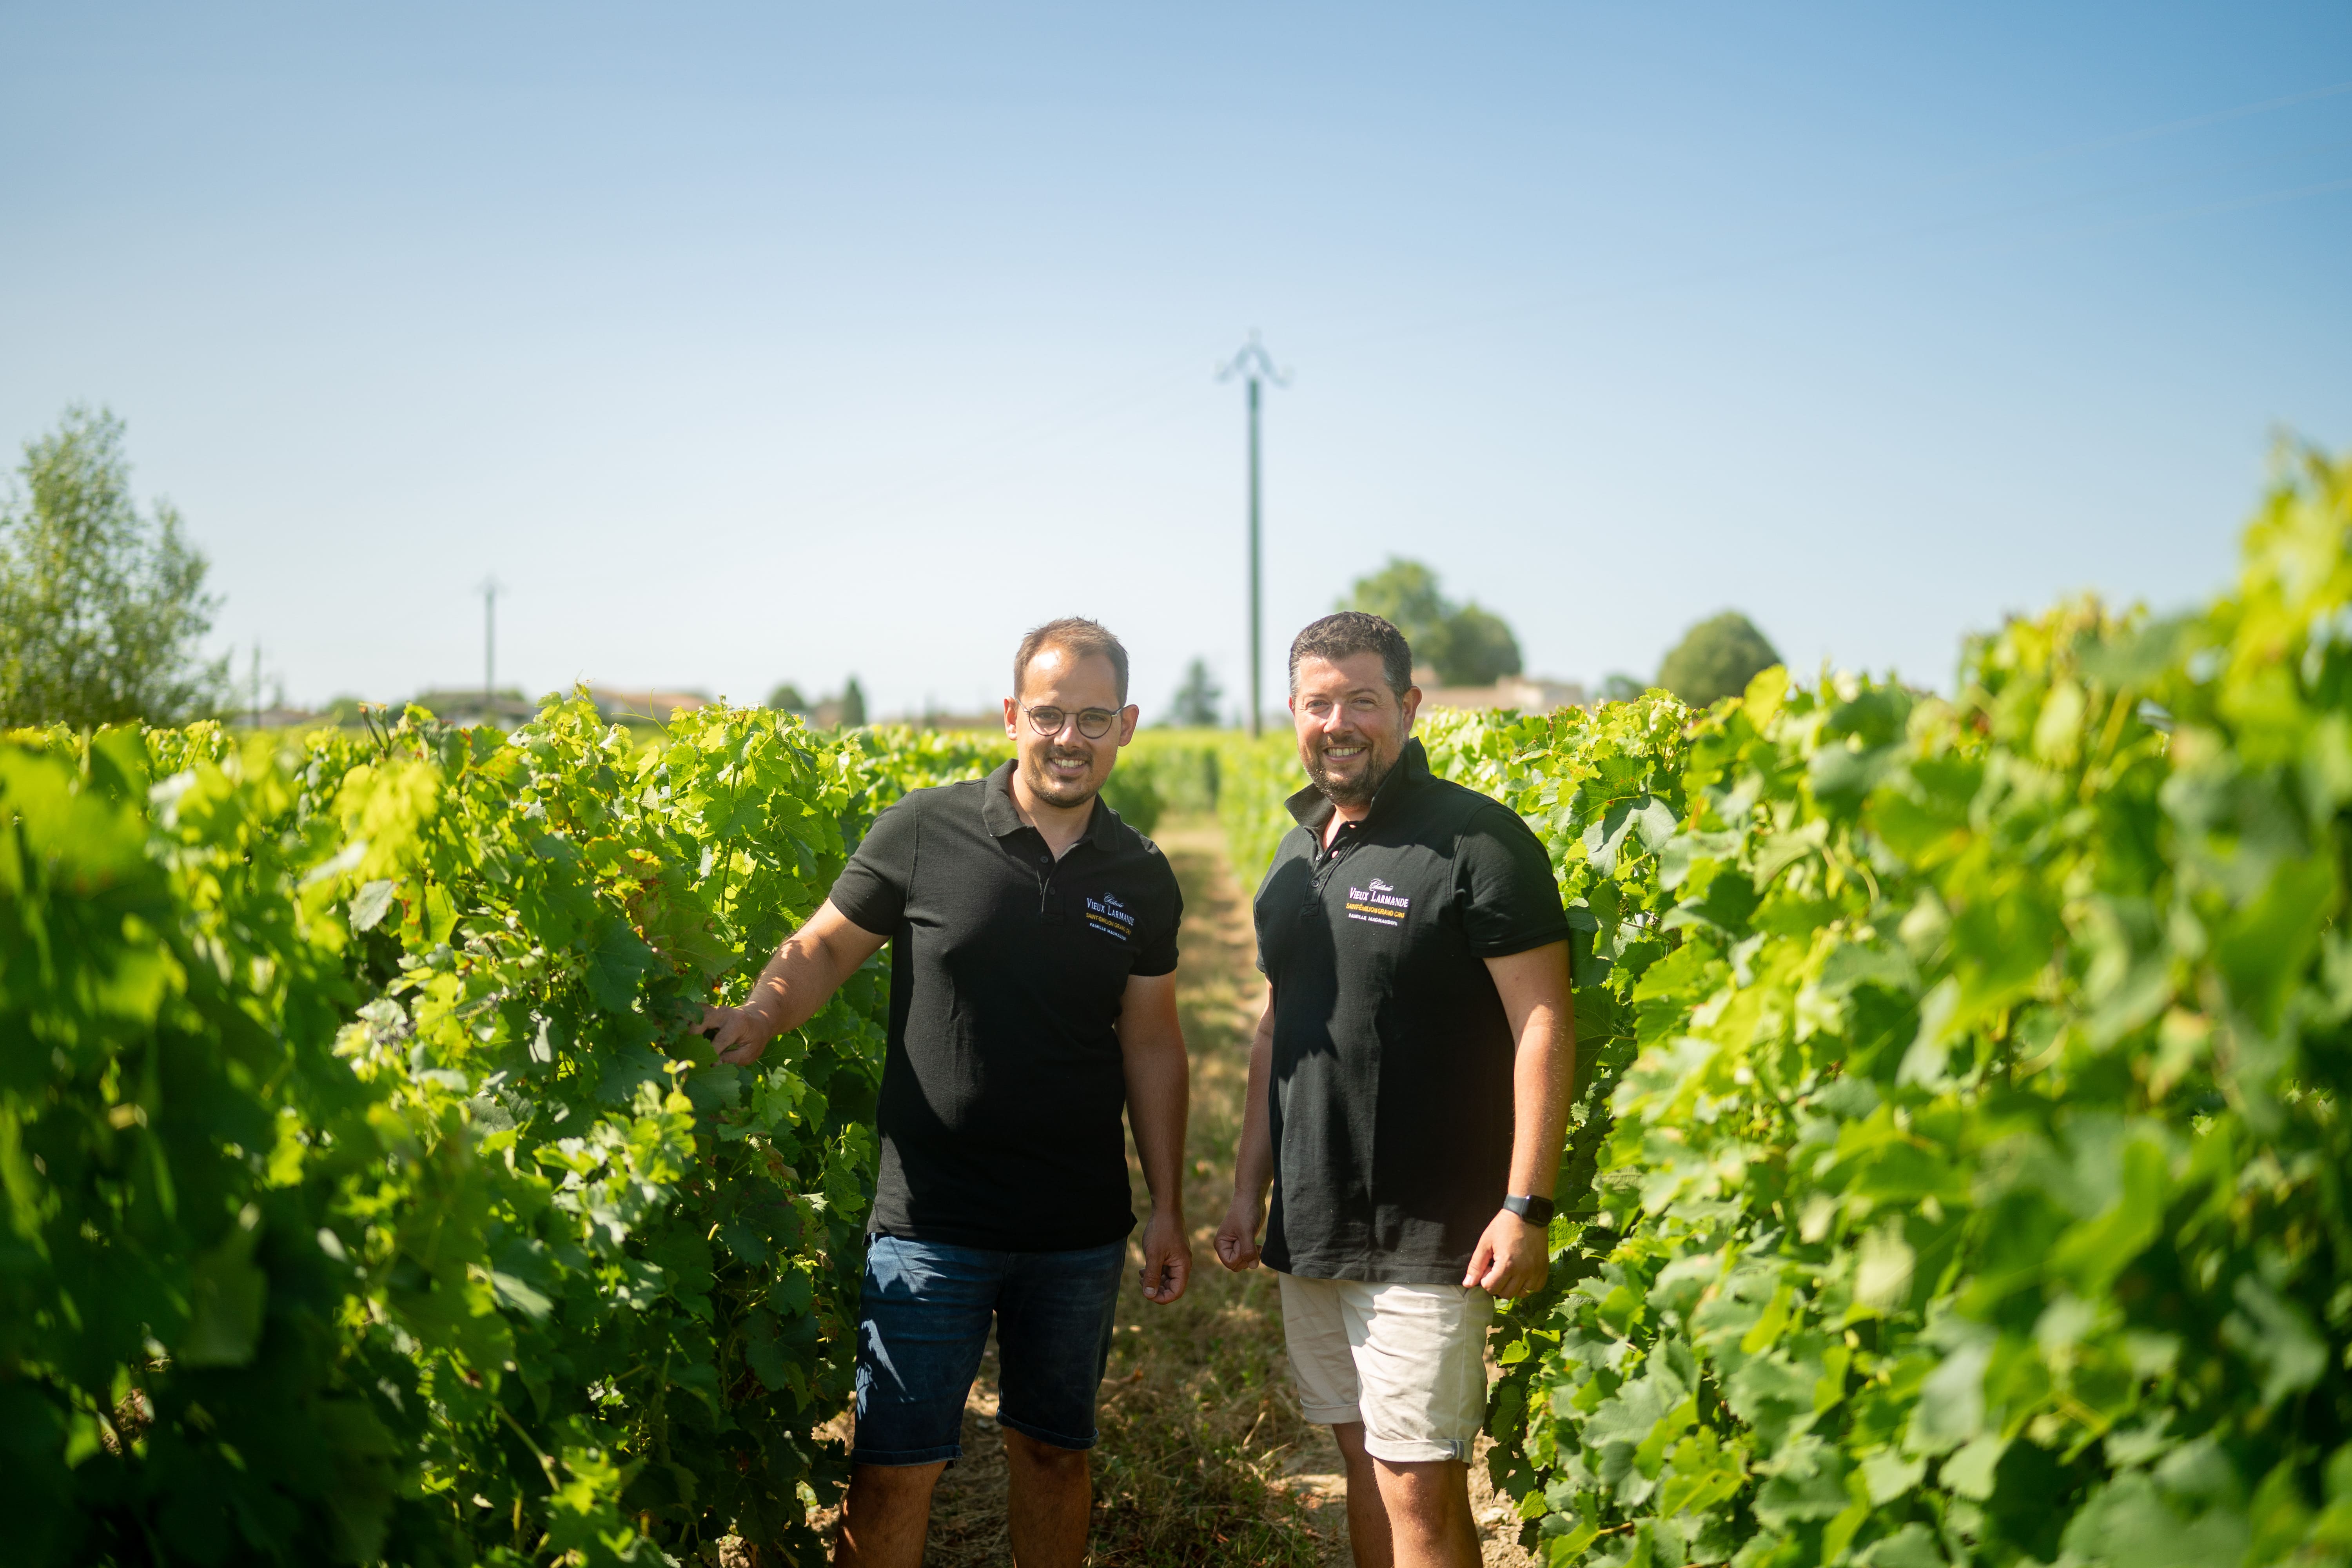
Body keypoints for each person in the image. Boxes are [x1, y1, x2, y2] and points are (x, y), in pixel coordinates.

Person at [701, 617, 1192, 1568]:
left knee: (1054, 1453)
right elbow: (825, 948)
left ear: (1127, 726)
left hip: (1077, 1228)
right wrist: (761, 1014)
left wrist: (1168, 1204)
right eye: (1049, 714)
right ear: (1012, 715)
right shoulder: (924, 829)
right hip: (931, 1222)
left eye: (1094, 718)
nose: (1069, 738)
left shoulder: (1143, 875)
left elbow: (1154, 1043)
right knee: (892, 1468)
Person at [1213, 611, 1575, 1568]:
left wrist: (1525, 1204)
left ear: (1409, 707)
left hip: (1431, 1229)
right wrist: (1249, 1188)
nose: (1339, 722)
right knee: (1365, 1463)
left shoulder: (1477, 842)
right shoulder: (1297, 853)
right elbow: (1273, 1028)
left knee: (1419, 1482)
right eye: (1318, 701)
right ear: (1293, 711)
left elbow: (1544, 1022)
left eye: (1362, 700)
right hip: (1315, 1221)